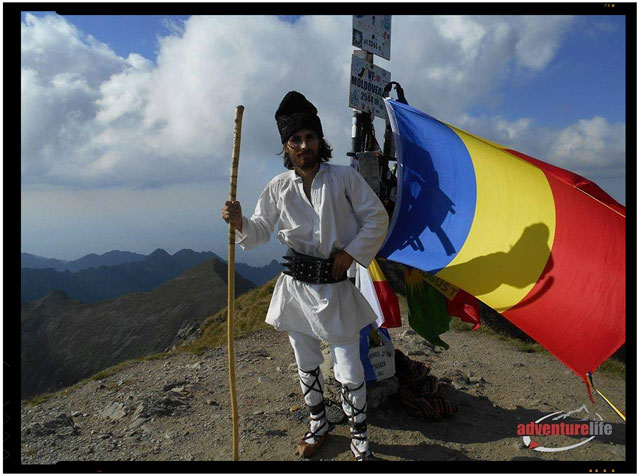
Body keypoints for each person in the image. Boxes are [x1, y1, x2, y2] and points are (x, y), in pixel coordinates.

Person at [221, 91, 389, 461]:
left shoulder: (344, 178)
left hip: (335, 286)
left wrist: (350, 254)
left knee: (348, 366)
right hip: (296, 287)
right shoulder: (279, 186)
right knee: (306, 361)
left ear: (319, 141)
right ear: (287, 146)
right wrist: (239, 222)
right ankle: (319, 424)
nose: (303, 145)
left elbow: (377, 218)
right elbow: (261, 229)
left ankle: (359, 437)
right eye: (296, 140)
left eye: (309, 137)